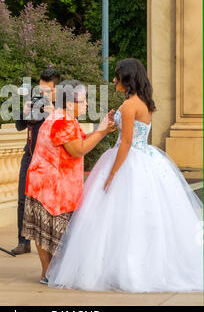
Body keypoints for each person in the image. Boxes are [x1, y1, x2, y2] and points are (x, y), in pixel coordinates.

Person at [47, 58, 203, 293]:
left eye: (117, 76)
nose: (114, 80)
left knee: (120, 217)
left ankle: (122, 268)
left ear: (127, 79)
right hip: (146, 159)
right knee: (140, 217)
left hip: (128, 160)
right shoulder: (144, 102)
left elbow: (126, 143)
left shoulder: (130, 106)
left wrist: (111, 174)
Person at [22, 80, 116, 284]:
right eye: (83, 100)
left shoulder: (63, 118)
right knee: (51, 232)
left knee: (43, 232)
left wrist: (101, 129)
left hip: (43, 183)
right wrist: (101, 133)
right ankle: (49, 273)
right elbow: (78, 149)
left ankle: (48, 273)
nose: (87, 104)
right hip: (52, 187)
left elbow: (79, 141)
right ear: (70, 102)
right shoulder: (62, 121)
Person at [11, 68, 61, 255]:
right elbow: (19, 126)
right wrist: (24, 111)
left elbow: (68, 131)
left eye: (47, 90)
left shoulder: (63, 106)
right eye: (40, 89)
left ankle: (50, 242)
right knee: (23, 200)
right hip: (30, 156)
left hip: (50, 159)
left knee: (48, 203)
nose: (42, 93)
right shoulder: (34, 100)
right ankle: (23, 241)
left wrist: (53, 113)